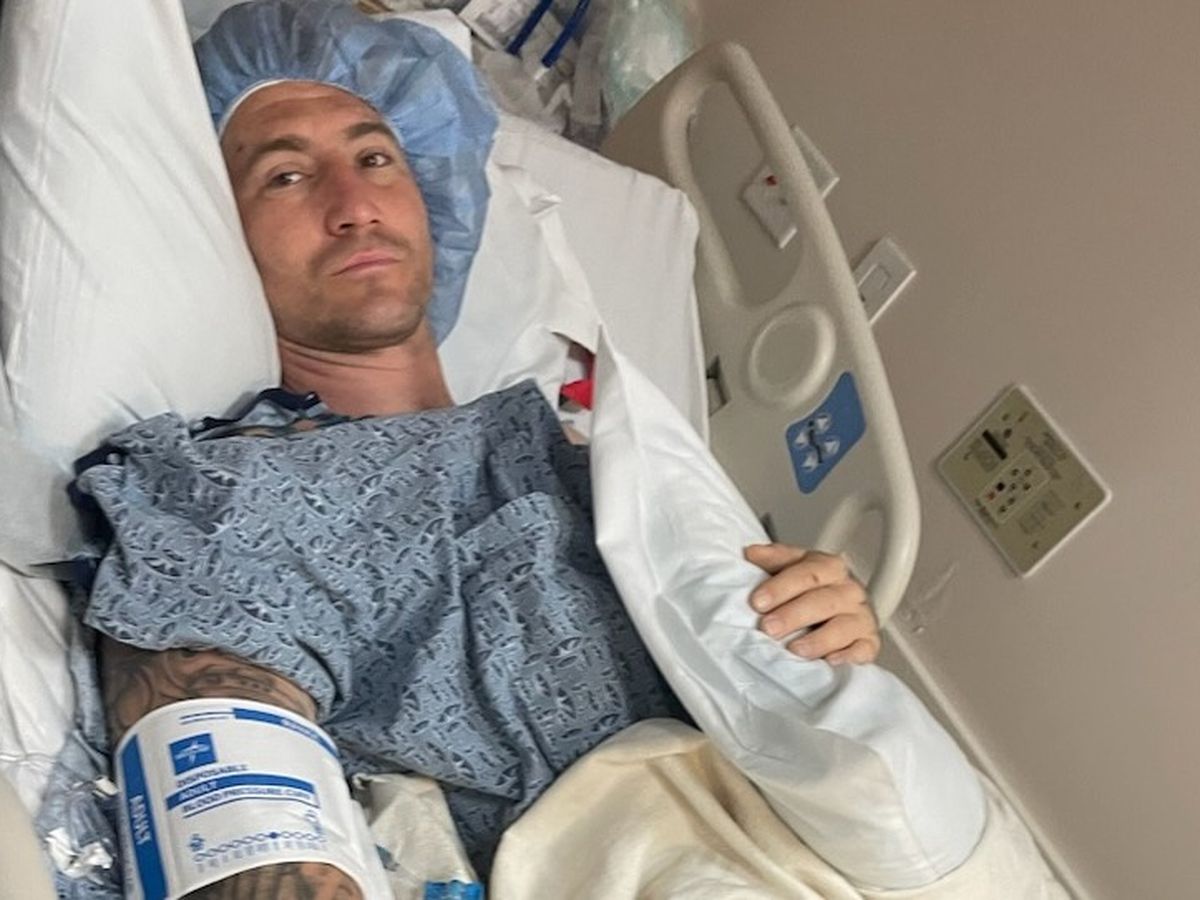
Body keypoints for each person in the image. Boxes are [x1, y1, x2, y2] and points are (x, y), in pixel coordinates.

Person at [88, 14, 885, 900]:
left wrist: (819, 628)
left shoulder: (604, 460)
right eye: (286, 175)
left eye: (376, 158)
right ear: (216, 235)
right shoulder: (232, 498)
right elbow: (235, 836)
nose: (354, 204)